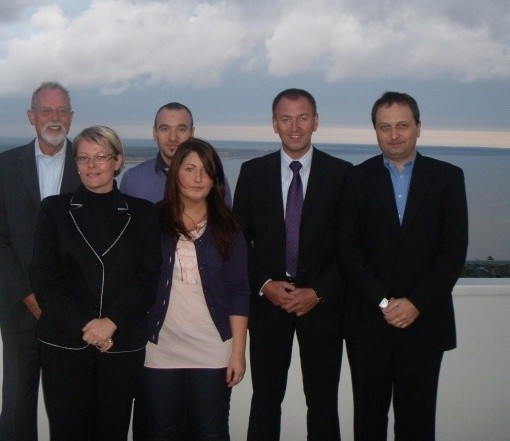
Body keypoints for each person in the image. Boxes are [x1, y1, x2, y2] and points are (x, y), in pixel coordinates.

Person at [339, 91, 468, 440]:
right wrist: (385, 302)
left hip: (425, 324)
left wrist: (415, 304)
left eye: (402, 126)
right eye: (385, 127)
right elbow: (348, 252)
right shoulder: (355, 179)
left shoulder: (448, 178)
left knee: (418, 425)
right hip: (369, 324)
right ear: (375, 131)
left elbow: (453, 253)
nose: (394, 135)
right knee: (368, 424)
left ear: (418, 127)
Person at [233, 88, 352, 440]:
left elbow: (350, 247)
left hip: (323, 306)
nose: (295, 127)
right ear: (274, 124)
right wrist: (264, 284)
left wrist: (318, 292)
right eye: (286, 118)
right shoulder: (253, 173)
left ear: (315, 121)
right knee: (265, 400)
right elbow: (239, 241)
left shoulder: (343, 175)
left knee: (323, 403)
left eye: (302, 118)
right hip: (269, 305)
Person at [29, 126, 162, 440]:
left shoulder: (143, 214)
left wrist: (111, 323)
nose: (91, 165)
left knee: (112, 432)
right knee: (67, 432)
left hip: (120, 343)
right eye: (84, 158)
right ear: (75, 163)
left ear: (118, 161)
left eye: (100, 157)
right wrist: (89, 326)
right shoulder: (54, 210)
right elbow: (45, 280)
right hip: (65, 343)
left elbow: (148, 280)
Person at [134, 138, 250, 440]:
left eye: (206, 170)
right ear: (176, 174)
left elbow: (238, 293)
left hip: (213, 348)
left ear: (216, 178)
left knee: (211, 432)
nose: (198, 178)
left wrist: (238, 353)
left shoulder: (229, 227)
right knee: (161, 432)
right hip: (159, 349)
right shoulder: (150, 219)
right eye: (189, 169)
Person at [0, 81, 80, 441]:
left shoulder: (88, 163)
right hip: (19, 310)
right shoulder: (5, 166)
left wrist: (65, 303)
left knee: (70, 409)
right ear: (31, 116)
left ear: (71, 119)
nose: (54, 118)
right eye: (46, 110)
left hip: (73, 313)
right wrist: (28, 295)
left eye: (61, 111)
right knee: (16, 410)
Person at [120, 102, 231, 205]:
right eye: (165, 129)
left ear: (191, 133)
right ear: (155, 133)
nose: (173, 138)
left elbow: (225, 220)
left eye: (181, 129)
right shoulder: (133, 179)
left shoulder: (212, 178)